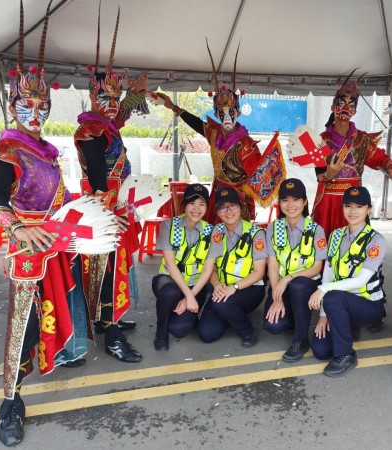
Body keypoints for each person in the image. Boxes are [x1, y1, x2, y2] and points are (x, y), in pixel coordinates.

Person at [0, 4, 81, 446]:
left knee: (56, 307)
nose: (36, 111)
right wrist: (16, 228)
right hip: (26, 251)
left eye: (42, 104)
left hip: (55, 244)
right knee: (20, 324)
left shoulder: (48, 151)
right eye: (27, 103)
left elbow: (57, 199)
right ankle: (10, 403)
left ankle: (59, 353)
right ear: (14, 104)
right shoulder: (8, 151)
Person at [73, 8, 149, 363]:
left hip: (114, 207)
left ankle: (109, 321)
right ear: (91, 96)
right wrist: (108, 215)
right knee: (106, 269)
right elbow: (98, 181)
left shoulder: (108, 124)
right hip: (101, 211)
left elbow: (122, 114)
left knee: (115, 267)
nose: (112, 104)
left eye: (115, 98)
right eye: (104, 97)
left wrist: (137, 94)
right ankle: (112, 335)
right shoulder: (90, 130)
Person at [157, 41, 285, 223]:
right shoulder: (214, 134)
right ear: (216, 114)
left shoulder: (246, 144)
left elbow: (257, 175)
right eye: (222, 113)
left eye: (231, 112)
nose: (226, 117)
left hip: (237, 199)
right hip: (217, 192)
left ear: (238, 113)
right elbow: (196, 123)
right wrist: (173, 107)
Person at [308, 186, 387, 377]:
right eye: (348, 205)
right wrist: (324, 315)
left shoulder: (375, 240)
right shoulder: (336, 235)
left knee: (333, 296)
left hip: (368, 305)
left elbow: (361, 280)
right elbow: (328, 271)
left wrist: (324, 289)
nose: (353, 211)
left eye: (359, 206)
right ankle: (349, 326)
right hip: (340, 305)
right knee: (321, 351)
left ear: (369, 209)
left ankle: (346, 355)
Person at [312, 72, 392, 237]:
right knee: (325, 243)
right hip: (329, 199)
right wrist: (328, 174)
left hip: (354, 199)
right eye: (341, 102)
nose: (346, 107)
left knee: (354, 247)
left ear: (355, 110)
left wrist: (390, 166)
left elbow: (379, 157)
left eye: (351, 104)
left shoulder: (362, 139)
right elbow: (318, 175)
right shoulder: (321, 140)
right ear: (333, 107)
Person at [262, 178, 327, 362]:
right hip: (281, 287)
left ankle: (300, 340)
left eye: (296, 199)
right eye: (285, 200)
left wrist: (288, 278)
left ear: (305, 202)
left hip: (305, 285)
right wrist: (277, 297)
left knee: (298, 286)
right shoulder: (273, 228)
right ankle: (294, 315)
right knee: (273, 326)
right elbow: (272, 265)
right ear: (279, 203)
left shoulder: (315, 230)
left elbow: (316, 267)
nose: (290, 205)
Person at [198, 187, 267, 347]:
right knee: (207, 334)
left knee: (222, 304)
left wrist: (234, 287)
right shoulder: (216, 233)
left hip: (249, 289)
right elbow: (213, 269)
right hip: (223, 289)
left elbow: (259, 273)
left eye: (232, 206)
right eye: (222, 207)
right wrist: (217, 285)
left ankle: (247, 331)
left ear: (241, 208)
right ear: (217, 212)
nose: (228, 211)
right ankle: (231, 313)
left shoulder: (256, 234)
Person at [152, 183, 215, 351]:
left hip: (196, 286)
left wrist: (190, 296)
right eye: (192, 203)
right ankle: (161, 331)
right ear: (184, 205)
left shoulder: (211, 231)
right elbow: (171, 264)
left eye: (202, 204)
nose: (196, 209)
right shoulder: (169, 225)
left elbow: (208, 270)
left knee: (179, 329)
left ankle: (183, 315)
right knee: (171, 292)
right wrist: (188, 296)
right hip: (168, 281)